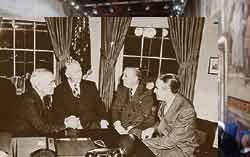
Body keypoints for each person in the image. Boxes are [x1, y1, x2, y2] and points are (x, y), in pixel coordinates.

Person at [142, 73, 198, 157]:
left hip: (181, 149)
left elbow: (171, 141)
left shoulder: (186, 110)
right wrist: (153, 129)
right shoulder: (163, 102)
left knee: (141, 148)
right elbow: (163, 122)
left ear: (167, 90)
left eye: (157, 88)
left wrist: (144, 142)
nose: (154, 91)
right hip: (165, 142)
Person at [53, 59, 108, 129]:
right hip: (70, 128)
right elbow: (57, 113)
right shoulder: (59, 90)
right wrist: (67, 121)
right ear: (67, 74)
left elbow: (100, 106)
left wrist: (104, 119)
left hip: (91, 126)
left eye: (80, 70)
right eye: (76, 72)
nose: (80, 74)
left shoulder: (91, 86)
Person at [11, 69, 65, 136]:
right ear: (38, 85)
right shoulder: (28, 102)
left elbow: (49, 119)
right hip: (24, 141)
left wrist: (65, 121)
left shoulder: (43, 98)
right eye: (51, 82)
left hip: (35, 138)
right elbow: (42, 128)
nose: (54, 85)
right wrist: (66, 125)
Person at [111, 67, 155, 137]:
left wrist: (130, 128)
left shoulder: (146, 92)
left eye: (126, 76)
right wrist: (117, 123)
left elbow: (143, 115)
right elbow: (115, 109)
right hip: (121, 127)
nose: (122, 78)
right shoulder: (121, 89)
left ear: (135, 79)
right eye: (123, 75)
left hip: (140, 126)